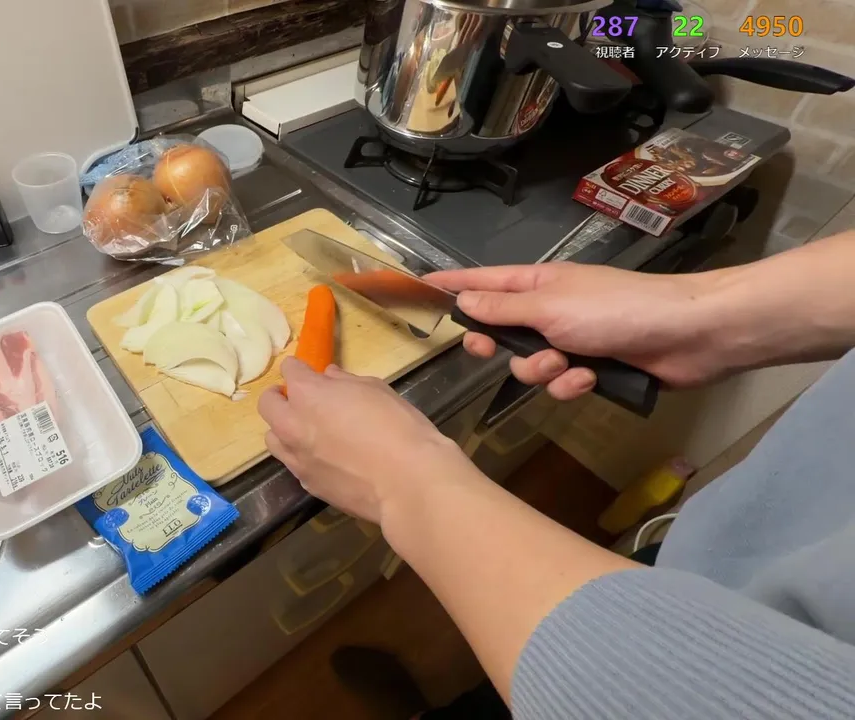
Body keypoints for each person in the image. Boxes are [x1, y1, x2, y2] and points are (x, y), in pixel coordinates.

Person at [257, 229, 855, 719]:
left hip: (671, 674)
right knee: (506, 692)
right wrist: (709, 313)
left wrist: (404, 483)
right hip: (721, 575)